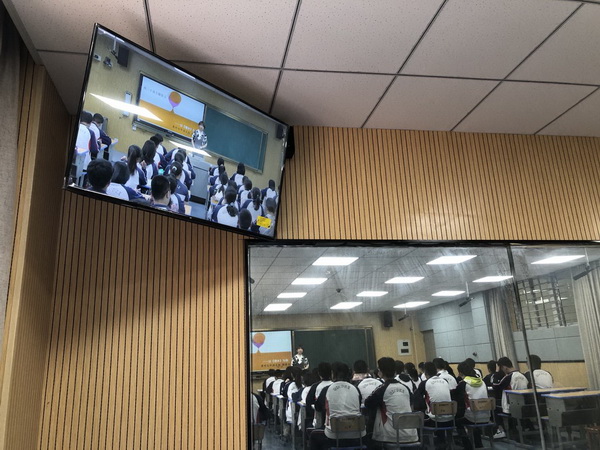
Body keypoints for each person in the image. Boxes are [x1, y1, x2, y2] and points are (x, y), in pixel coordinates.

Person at [311, 362, 364, 450]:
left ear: (332, 374)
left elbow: (318, 407)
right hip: (357, 437)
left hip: (333, 437)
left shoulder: (326, 389)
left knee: (313, 435)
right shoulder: (355, 388)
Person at [365, 357, 417, 446]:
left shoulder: (382, 389)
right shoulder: (405, 388)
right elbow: (412, 405)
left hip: (391, 436)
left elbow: (367, 403)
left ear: (380, 372)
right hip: (412, 435)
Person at [414, 362, 454, 447]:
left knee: (418, 418)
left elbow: (416, 400)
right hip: (450, 419)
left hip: (434, 420)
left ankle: (423, 445)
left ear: (425, 373)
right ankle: (442, 443)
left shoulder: (425, 383)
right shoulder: (445, 381)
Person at [454, 361, 489, 450]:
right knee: (473, 416)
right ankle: (478, 444)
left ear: (460, 373)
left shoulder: (464, 383)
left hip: (472, 417)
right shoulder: (482, 382)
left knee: (457, 421)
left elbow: (455, 396)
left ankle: (467, 445)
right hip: (487, 416)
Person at [492, 356, 528, 439]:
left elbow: (496, 386)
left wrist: (496, 374)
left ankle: (501, 430)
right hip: (524, 405)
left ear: (504, 367)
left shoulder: (509, 377)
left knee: (494, 408)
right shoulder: (523, 376)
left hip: (511, 407)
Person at [305, 362, 333, 428]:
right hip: (333, 421)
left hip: (319, 422)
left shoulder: (315, 386)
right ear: (331, 373)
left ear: (319, 373)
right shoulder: (334, 385)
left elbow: (308, 403)